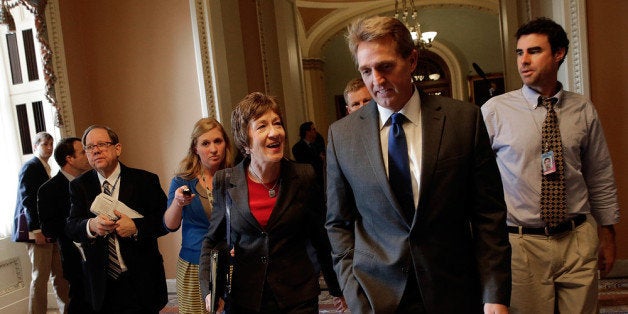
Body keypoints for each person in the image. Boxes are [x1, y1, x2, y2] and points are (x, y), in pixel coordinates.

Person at [325, 16, 511, 313]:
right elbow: (338, 222)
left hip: (454, 291)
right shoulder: (343, 135)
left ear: (411, 61)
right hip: (376, 295)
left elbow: (489, 216)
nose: (376, 80)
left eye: (385, 66)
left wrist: (495, 295)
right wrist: (353, 288)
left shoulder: (463, 121)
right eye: (366, 71)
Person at [481, 17, 620, 313]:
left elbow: (600, 174)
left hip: (577, 238)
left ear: (558, 54)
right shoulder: (495, 112)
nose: (524, 61)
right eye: (520, 53)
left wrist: (607, 233)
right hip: (522, 244)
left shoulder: (583, 109)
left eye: (534, 51)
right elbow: (476, 180)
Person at [199, 92, 347, 313]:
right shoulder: (227, 181)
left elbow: (321, 238)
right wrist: (210, 289)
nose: (274, 132)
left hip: (297, 297)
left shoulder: (304, 176)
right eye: (262, 126)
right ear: (244, 140)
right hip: (246, 299)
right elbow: (213, 241)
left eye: (277, 124)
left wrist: (337, 289)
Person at [66, 125, 168, 313]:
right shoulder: (79, 186)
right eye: (89, 147)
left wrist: (136, 227)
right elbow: (72, 226)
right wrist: (92, 225)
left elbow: (165, 222)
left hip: (141, 278)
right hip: (101, 282)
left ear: (117, 148)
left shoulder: (145, 180)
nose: (96, 150)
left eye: (102, 144)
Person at [163, 118, 234, 313]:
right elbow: (170, 225)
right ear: (195, 148)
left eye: (218, 141)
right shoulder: (182, 181)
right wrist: (178, 203)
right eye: (205, 143)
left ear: (225, 143)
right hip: (194, 264)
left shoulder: (236, 176)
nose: (213, 149)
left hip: (232, 263)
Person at [12, 131, 70, 314]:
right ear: (35, 146)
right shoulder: (30, 167)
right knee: (40, 277)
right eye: (45, 144)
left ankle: (68, 310)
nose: (50, 148)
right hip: (36, 231)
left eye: (51, 144)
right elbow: (27, 200)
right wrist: (36, 230)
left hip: (49, 230)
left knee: (60, 275)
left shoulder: (44, 167)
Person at [37, 137, 93, 313]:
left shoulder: (92, 182)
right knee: (81, 302)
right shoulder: (48, 189)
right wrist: (78, 226)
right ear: (69, 159)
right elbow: (49, 229)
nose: (89, 155)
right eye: (83, 152)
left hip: (102, 253)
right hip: (74, 257)